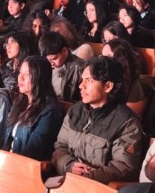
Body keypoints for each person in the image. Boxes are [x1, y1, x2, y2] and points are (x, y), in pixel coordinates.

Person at [50, 56, 144, 184]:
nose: (80, 86)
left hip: (97, 189)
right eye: (82, 80)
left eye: (88, 80)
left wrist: (88, 177)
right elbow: (60, 147)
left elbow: (124, 167)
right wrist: (69, 165)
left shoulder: (126, 122)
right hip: (67, 181)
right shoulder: (76, 111)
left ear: (108, 86)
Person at [1, 55, 64, 160]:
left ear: (40, 78)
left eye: (27, 74)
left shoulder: (50, 112)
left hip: (25, 167)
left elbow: (33, 153)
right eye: (20, 72)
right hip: (10, 160)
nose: (20, 77)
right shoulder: (20, 102)